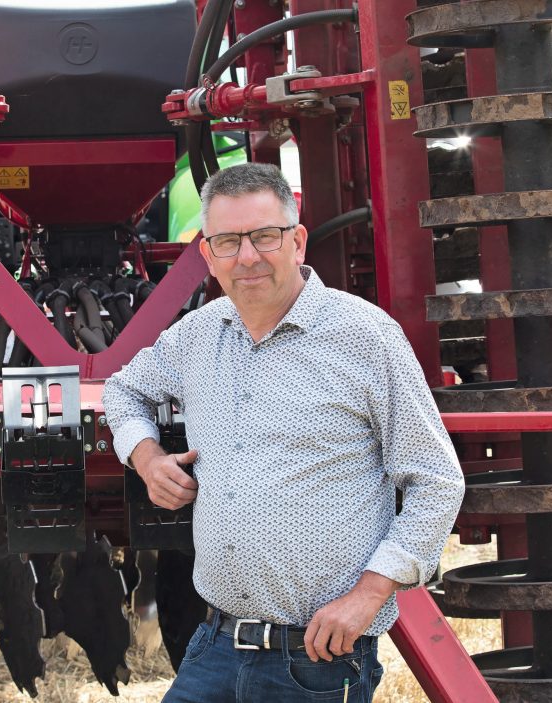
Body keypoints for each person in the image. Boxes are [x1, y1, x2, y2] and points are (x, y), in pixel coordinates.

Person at [102, 162, 464, 702]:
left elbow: (436, 481)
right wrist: (147, 457)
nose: (246, 257)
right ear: (208, 255)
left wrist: (370, 593)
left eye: (264, 237)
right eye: (227, 241)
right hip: (216, 646)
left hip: (315, 661)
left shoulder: (364, 339)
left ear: (296, 242)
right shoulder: (199, 336)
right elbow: (122, 390)